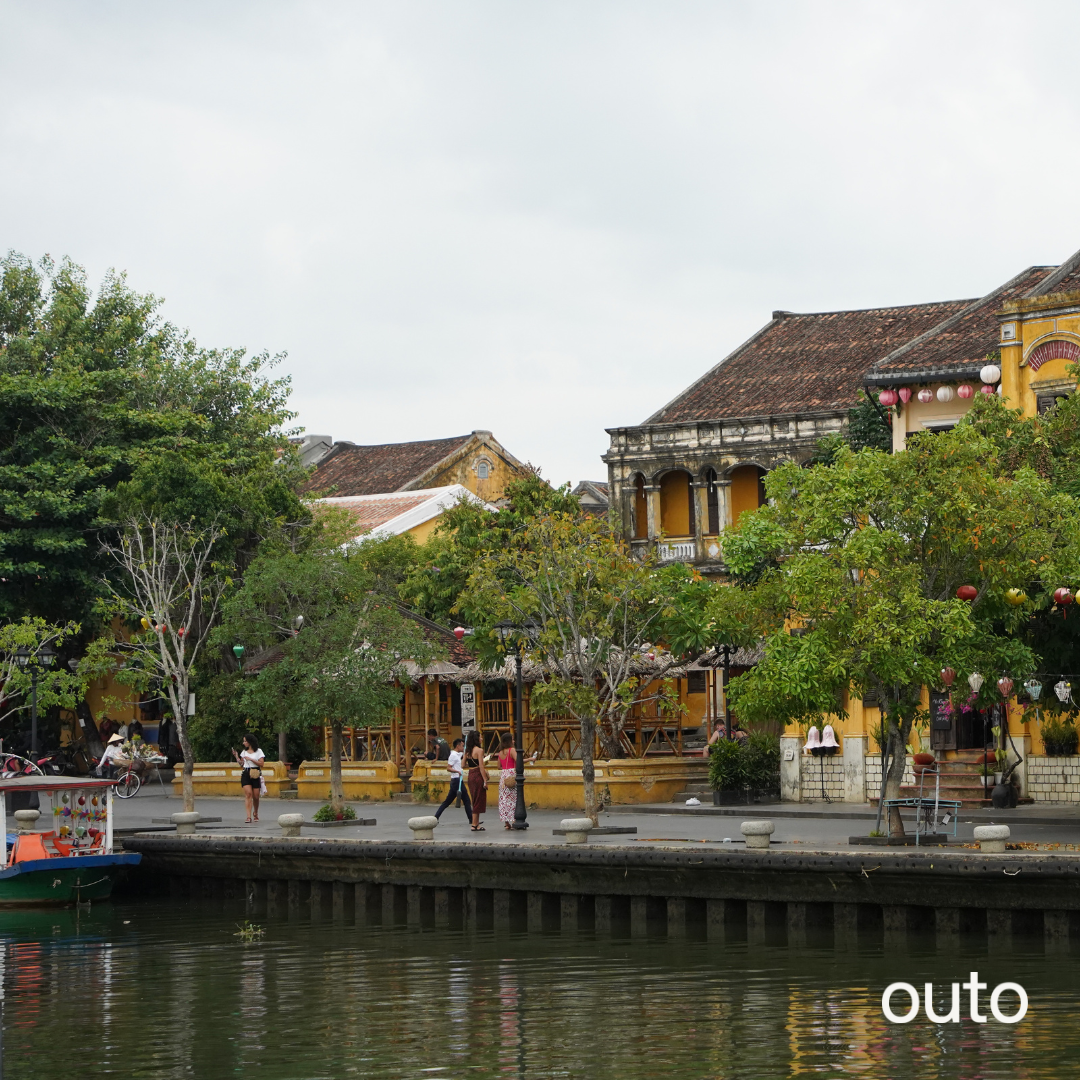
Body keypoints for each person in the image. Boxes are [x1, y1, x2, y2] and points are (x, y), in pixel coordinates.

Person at [434, 738, 473, 823]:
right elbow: (448, 768)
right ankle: (471, 819)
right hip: (456, 780)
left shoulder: (457, 754)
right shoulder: (453, 755)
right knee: (466, 800)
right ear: (458, 746)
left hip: (458, 780)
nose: (463, 747)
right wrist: (457, 771)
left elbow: (463, 758)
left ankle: (436, 816)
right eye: (462, 746)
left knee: (447, 801)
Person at [232, 733, 264, 824]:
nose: (244, 743)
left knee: (256, 796)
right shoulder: (244, 752)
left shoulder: (259, 751)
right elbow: (241, 764)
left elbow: (262, 764)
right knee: (248, 794)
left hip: (255, 773)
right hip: (246, 773)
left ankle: (256, 813)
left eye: (245, 741)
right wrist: (237, 756)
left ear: (250, 742)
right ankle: (248, 816)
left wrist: (251, 759)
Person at [465, 730, 488, 832]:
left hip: (470, 775)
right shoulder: (479, 750)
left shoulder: (467, 751)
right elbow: (481, 767)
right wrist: (485, 780)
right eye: (480, 737)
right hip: (477, 775)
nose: (481, 739)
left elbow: (462, 765)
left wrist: (471, 765)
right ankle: (474, 824)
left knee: (474, 798)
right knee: (479, 799)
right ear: (476, 739)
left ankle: (476, 823)